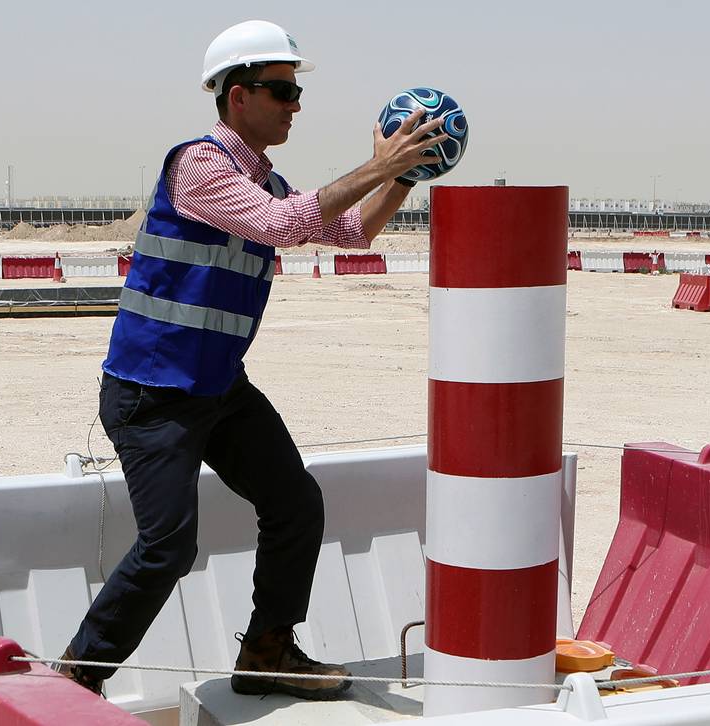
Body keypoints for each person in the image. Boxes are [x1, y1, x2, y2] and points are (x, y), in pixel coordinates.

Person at [52, 19, 446, 701]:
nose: (295, 105)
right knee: (169, 546)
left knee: (295, 502)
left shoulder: (266, 180)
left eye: (295, 93)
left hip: (217, 390)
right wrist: (379, 165)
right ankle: (72, 681)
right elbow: (278, 225)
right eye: (282, 91)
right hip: (152, 394)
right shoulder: (199, 165)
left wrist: (405, 176)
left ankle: (268, 652)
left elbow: (350, 232)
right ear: (238, 96)